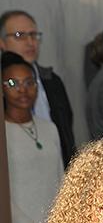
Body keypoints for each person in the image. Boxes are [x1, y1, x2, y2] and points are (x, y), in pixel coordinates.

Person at [4, 51, 65, 223]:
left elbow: (61, 181)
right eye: (13, 84)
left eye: (29, 82)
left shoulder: (48, 127)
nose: (23, 90)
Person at [0, 9, 75, 163]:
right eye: (20, 36)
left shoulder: (52, 81)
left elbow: (66, 131)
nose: (30, 42)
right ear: (2, 43)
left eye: (34, 35)